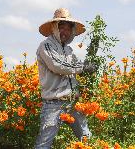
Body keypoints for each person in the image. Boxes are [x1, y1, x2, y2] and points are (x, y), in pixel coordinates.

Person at [35, 8, 95, 149]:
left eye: (68, 29)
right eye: (61, 27)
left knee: (86, 138)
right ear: (54, 28)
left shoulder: (68, 50)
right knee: (44, 144)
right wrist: (83, 67)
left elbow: (75, 67)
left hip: (72, 102)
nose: (65, 32)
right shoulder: (46, 46)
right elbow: (57, 66)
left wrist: (89, 64)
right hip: (53, 103)